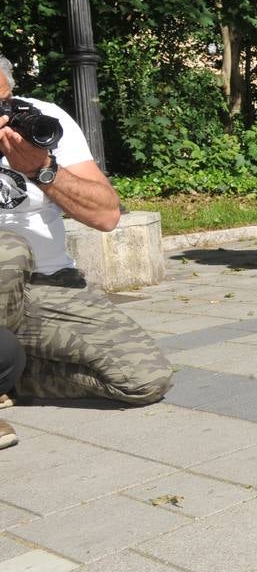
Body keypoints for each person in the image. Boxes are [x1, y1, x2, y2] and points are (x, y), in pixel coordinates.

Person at [0, 53, 173, 448]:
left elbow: (107, 214)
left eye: (5, 103)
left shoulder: (40, 118)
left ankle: (11, 374)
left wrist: (41, 170)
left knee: (145, 379)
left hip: (48, 289)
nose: (4, 118)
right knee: (8, 249)